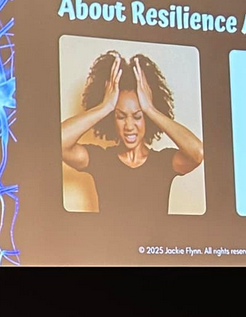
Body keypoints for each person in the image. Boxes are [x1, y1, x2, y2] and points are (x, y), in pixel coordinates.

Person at [60, 51, 204, 213]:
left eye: (137, 116)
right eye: (120, 116)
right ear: (111, 119)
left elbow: (197, 153)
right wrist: (105, 106)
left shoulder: (163, 162)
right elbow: (58, 142)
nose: (129, 126)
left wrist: (150, 109)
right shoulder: (101, 160)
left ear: (147, 119)